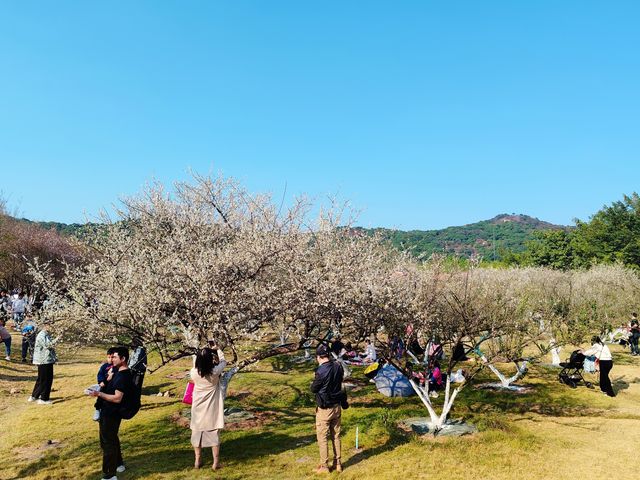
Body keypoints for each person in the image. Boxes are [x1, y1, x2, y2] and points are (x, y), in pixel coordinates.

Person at [90, 346, 135, 480]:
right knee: (110, 440)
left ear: (123, 359)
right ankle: (117, 464)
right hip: (107, 411)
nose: (112, 359)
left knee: (108, 443)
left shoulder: (123, 376)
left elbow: (117, 398)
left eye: (115, 357)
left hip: (112, 413)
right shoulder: (116, 371)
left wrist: (99, 394)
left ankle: (109, 475)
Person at [190, 346, 227, 470]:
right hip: (211, 406)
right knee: (213, 433)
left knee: (196, 432)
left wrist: (200, 353)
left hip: (198, 406)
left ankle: (197, 460)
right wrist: (218, 350)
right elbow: (223, 362)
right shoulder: (214, 372)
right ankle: (215, 463)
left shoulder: (194, 373)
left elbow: (195, 360)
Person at [310, 344, 345, 474]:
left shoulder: (320, 371)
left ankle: (324, 466)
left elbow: (314, 389)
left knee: (322, 437)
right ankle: (338, 463)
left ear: (318, 357)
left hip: (325, 409)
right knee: (336, 436)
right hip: (337, 406)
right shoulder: (338, 366)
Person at [29, 322, 57, 405]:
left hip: (45, 360)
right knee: (46, 380)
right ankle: (44, 399)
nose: (52, 327)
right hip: (44, 360)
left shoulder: (46, 334)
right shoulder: (42, 335)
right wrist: (58, 338)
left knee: (41, 379)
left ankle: (34, 396)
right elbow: (47, 345)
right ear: (45, 326)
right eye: (50, 325)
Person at [93, 347, 118, 421]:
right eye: (108, 357)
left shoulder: (116, 366)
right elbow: (100, 374)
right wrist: (101, 382)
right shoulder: (104, 366)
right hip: (104, 385)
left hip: (113, 386)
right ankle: (97, 409)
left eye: (112, 357)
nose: (110, 359)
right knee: (100, 397)